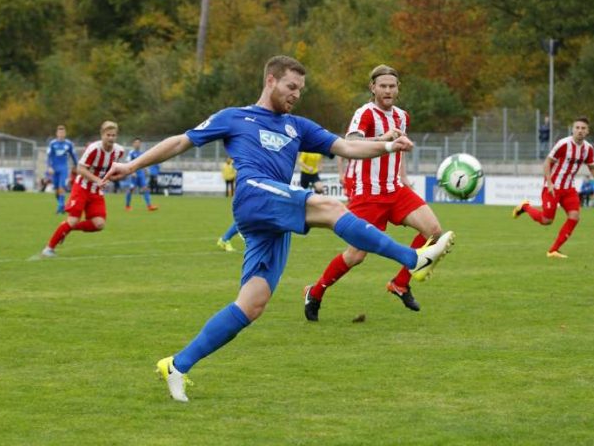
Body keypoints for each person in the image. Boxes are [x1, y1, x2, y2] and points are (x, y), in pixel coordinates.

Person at [101, 55, 455, 402]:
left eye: (300, 89)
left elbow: (347, 146)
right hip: (254, 195)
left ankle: (178, 365)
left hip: (271, 216)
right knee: (330, 206)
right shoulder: (234, 117)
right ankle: (414, 259)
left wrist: (389, 145)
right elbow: (181, 141)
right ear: (270, 81)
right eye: (290, 87)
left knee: (252, 303)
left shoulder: (298, 126)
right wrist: (132, 166)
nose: (295, 94)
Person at [303, 64, 444, 322]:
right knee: (356, 255)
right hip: (368, 193)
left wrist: (404, 178)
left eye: (392, 86)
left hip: (396, 189)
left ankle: (400, 284)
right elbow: (351, 143)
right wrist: (384, 138)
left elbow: (398, 150)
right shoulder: (365, 114)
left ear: (398, 89)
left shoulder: (402, 116)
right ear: (373, 88)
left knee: (434, 232)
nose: (388, 90)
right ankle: (316, 290)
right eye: (383, 86)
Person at [513, 116, 594, 258]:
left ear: (587, 131)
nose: (580, 131)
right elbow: (547, 163)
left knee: (574, 216)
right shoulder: (563, 144)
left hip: (569, 189)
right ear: (572, 129)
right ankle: (525, 207)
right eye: (577, 128)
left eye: (583, 128)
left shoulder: (588, 149)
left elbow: (592, 168)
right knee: (547, 220)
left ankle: (553, 250)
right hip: (553, 187)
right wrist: (550, 183)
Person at [41, 121, 124, 257]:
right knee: (73, 220)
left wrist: (115, 176)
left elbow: (112, 169)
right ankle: (49, 249)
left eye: (113, 135)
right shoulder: (94, 149)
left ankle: (67, 229)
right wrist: (98, 180)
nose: (111, 138)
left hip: (96, 191)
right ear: (102, 135)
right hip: (82, 188)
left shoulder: (119, 151)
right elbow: (80, 169)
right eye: (108, 135)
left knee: (99, 224)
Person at [46, 124, 78, 214]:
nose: (61, 134)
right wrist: (49, 167)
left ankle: (60, 207)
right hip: (54, 168)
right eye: (59, 132)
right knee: (56, 189)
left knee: (61, 186)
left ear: (65, 134)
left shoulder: (68, 144)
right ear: (57, 134)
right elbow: (48, 156)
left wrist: (77, 165)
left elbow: (74, 155)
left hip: (63, 168)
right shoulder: (52, 143)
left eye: (63, 132)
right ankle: (62, 205)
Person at [125, 138, 159, 211]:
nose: (137, 144)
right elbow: (128, 163)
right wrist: (132, 172)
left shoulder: (141, 153)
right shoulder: (131, 153)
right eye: (136, 142)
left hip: (141, 174)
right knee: (131, 189)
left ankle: (149, 206)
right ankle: (127, 206)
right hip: (134, 175)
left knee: (145, 188)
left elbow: (143, 163)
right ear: (133, 144)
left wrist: (146, 170)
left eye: (139, 142)